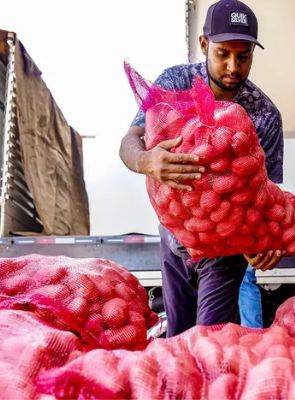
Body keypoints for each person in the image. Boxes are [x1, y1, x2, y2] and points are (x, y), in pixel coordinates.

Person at [120, 0, 283, 337]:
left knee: (210, 341)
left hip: (226, 248)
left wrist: (269, 236)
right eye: (223, 53)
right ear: (204, 44)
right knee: (179, 336)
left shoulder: (264, 114)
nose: (233, 67)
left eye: (244, 56)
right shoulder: (174, 82)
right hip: (173, 238)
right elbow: (130, 140)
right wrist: (145, 160)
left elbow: (268, 195)